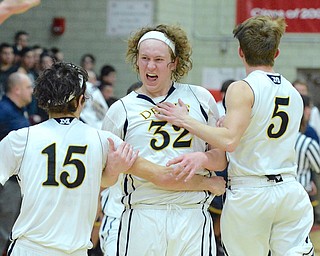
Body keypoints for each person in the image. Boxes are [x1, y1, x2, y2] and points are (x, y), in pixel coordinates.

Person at [0, 62, 225, 256]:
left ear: (42, 100)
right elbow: (163, 176)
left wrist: (110, 176)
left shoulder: (20, 139)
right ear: (81, 101)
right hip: (75, 250)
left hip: (27, 248)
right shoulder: (105, 142)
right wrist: (207, 183)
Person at [155, 16, 315, 256]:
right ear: (277, 53)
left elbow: (229, 141)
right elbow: (260, 130)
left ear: (241, 52)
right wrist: (229, 126)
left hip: (252, 192)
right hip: (290, 191)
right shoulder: (292, 92)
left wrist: (184, 119)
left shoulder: (242, 87)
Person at [99, 24, 227, 256]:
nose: (150, 66)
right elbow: (106, 176)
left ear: (174, 63)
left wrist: (203, 157)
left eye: (158, 59)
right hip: (143, 215)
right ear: (136, 60)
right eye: (144, 58)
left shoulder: (200, 98)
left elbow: (220, 160)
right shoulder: (120, 110)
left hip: (193, 213)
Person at [0, 72, 33, 255]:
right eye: (29, 87)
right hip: (7, 186)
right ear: (17, 89)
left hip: (17, 184)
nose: (32, 91)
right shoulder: (4, 111)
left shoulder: (18, 110)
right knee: (3, 232)